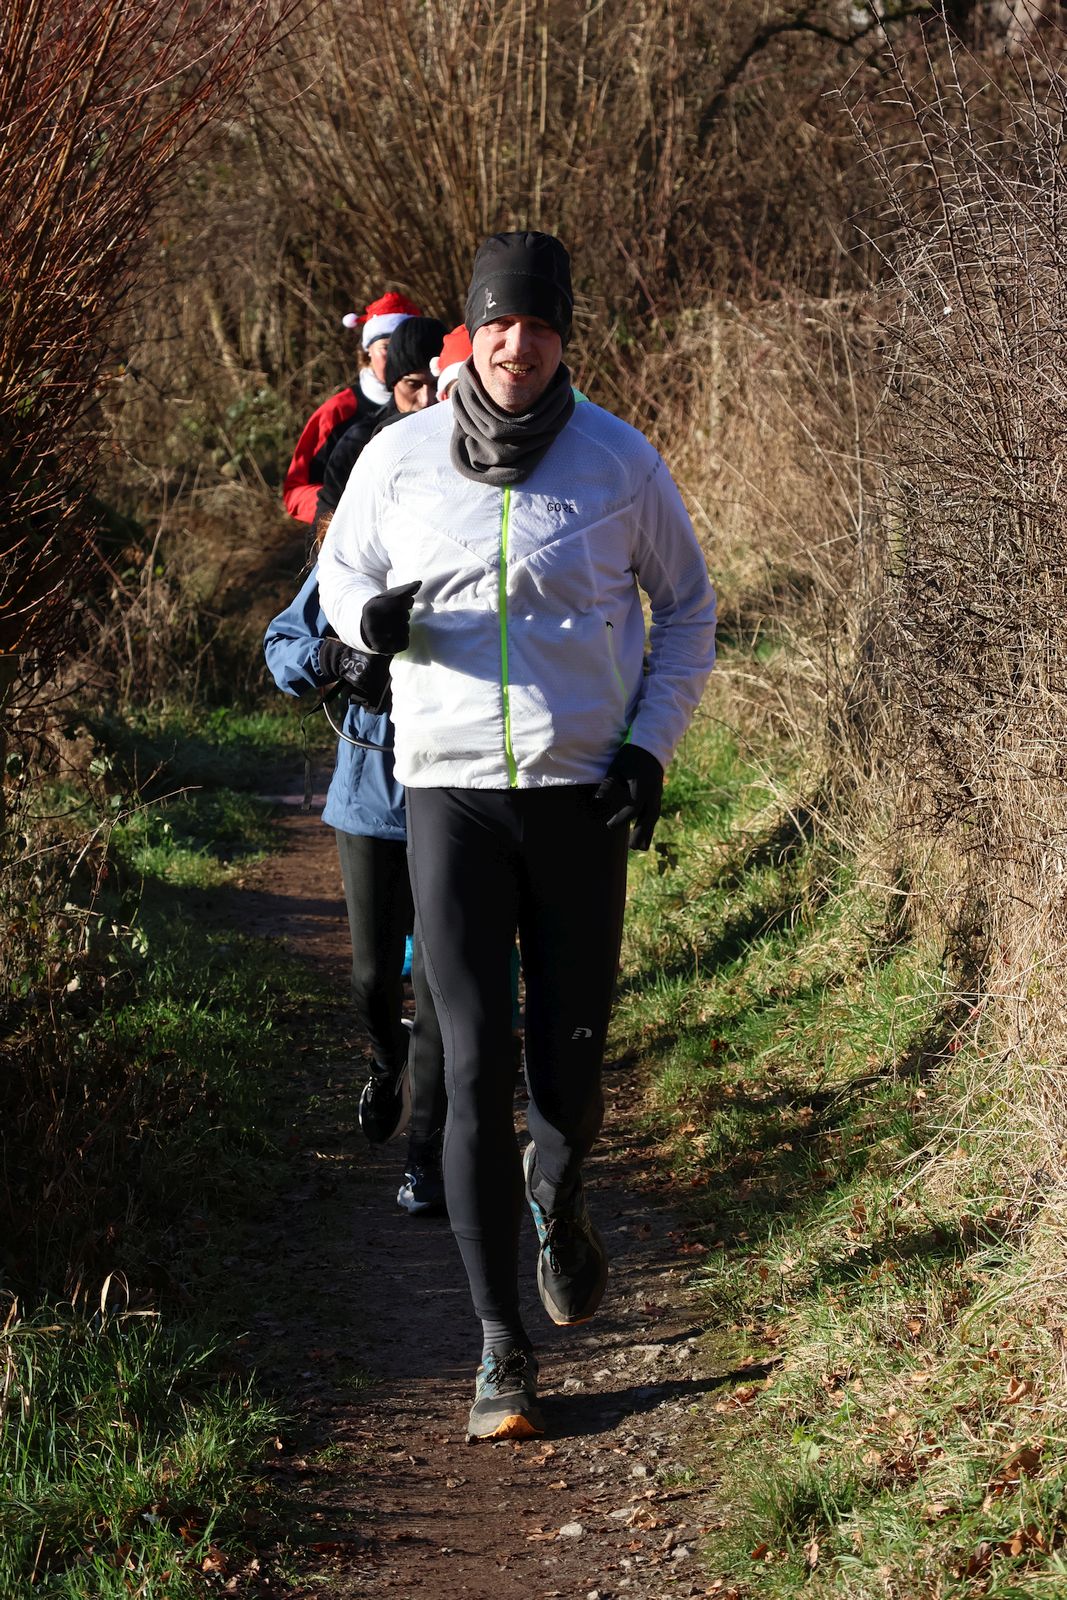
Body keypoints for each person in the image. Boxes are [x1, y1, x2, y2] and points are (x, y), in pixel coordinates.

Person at [318, 231, 716, 1441]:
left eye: (539, 326)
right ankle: (500, 1345)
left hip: (577, 796)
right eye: (499, 323)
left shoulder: (618, 461)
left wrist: (647, 748)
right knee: (473, 1061)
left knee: (566, 1079)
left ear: (561, 338)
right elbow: (341, 575)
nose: (517, 345)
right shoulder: (396, 460)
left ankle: (560, 1183)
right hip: (446, 791)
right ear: (471, 332)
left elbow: (687, 609)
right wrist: (365, 628)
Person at [281, 291, 422, 524]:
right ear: (367, 352)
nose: (398, 357)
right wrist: (342, 505)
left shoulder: (439, 402)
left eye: (407, 347)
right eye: (387, 347)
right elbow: (295, 492)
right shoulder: (337, 412)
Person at [312, 317, 447, 548]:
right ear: (393, 383)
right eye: (413, 384)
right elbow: (323, 534)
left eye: (436, 384)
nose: (427, 399)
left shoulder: (469, 439)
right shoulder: (358, 443)